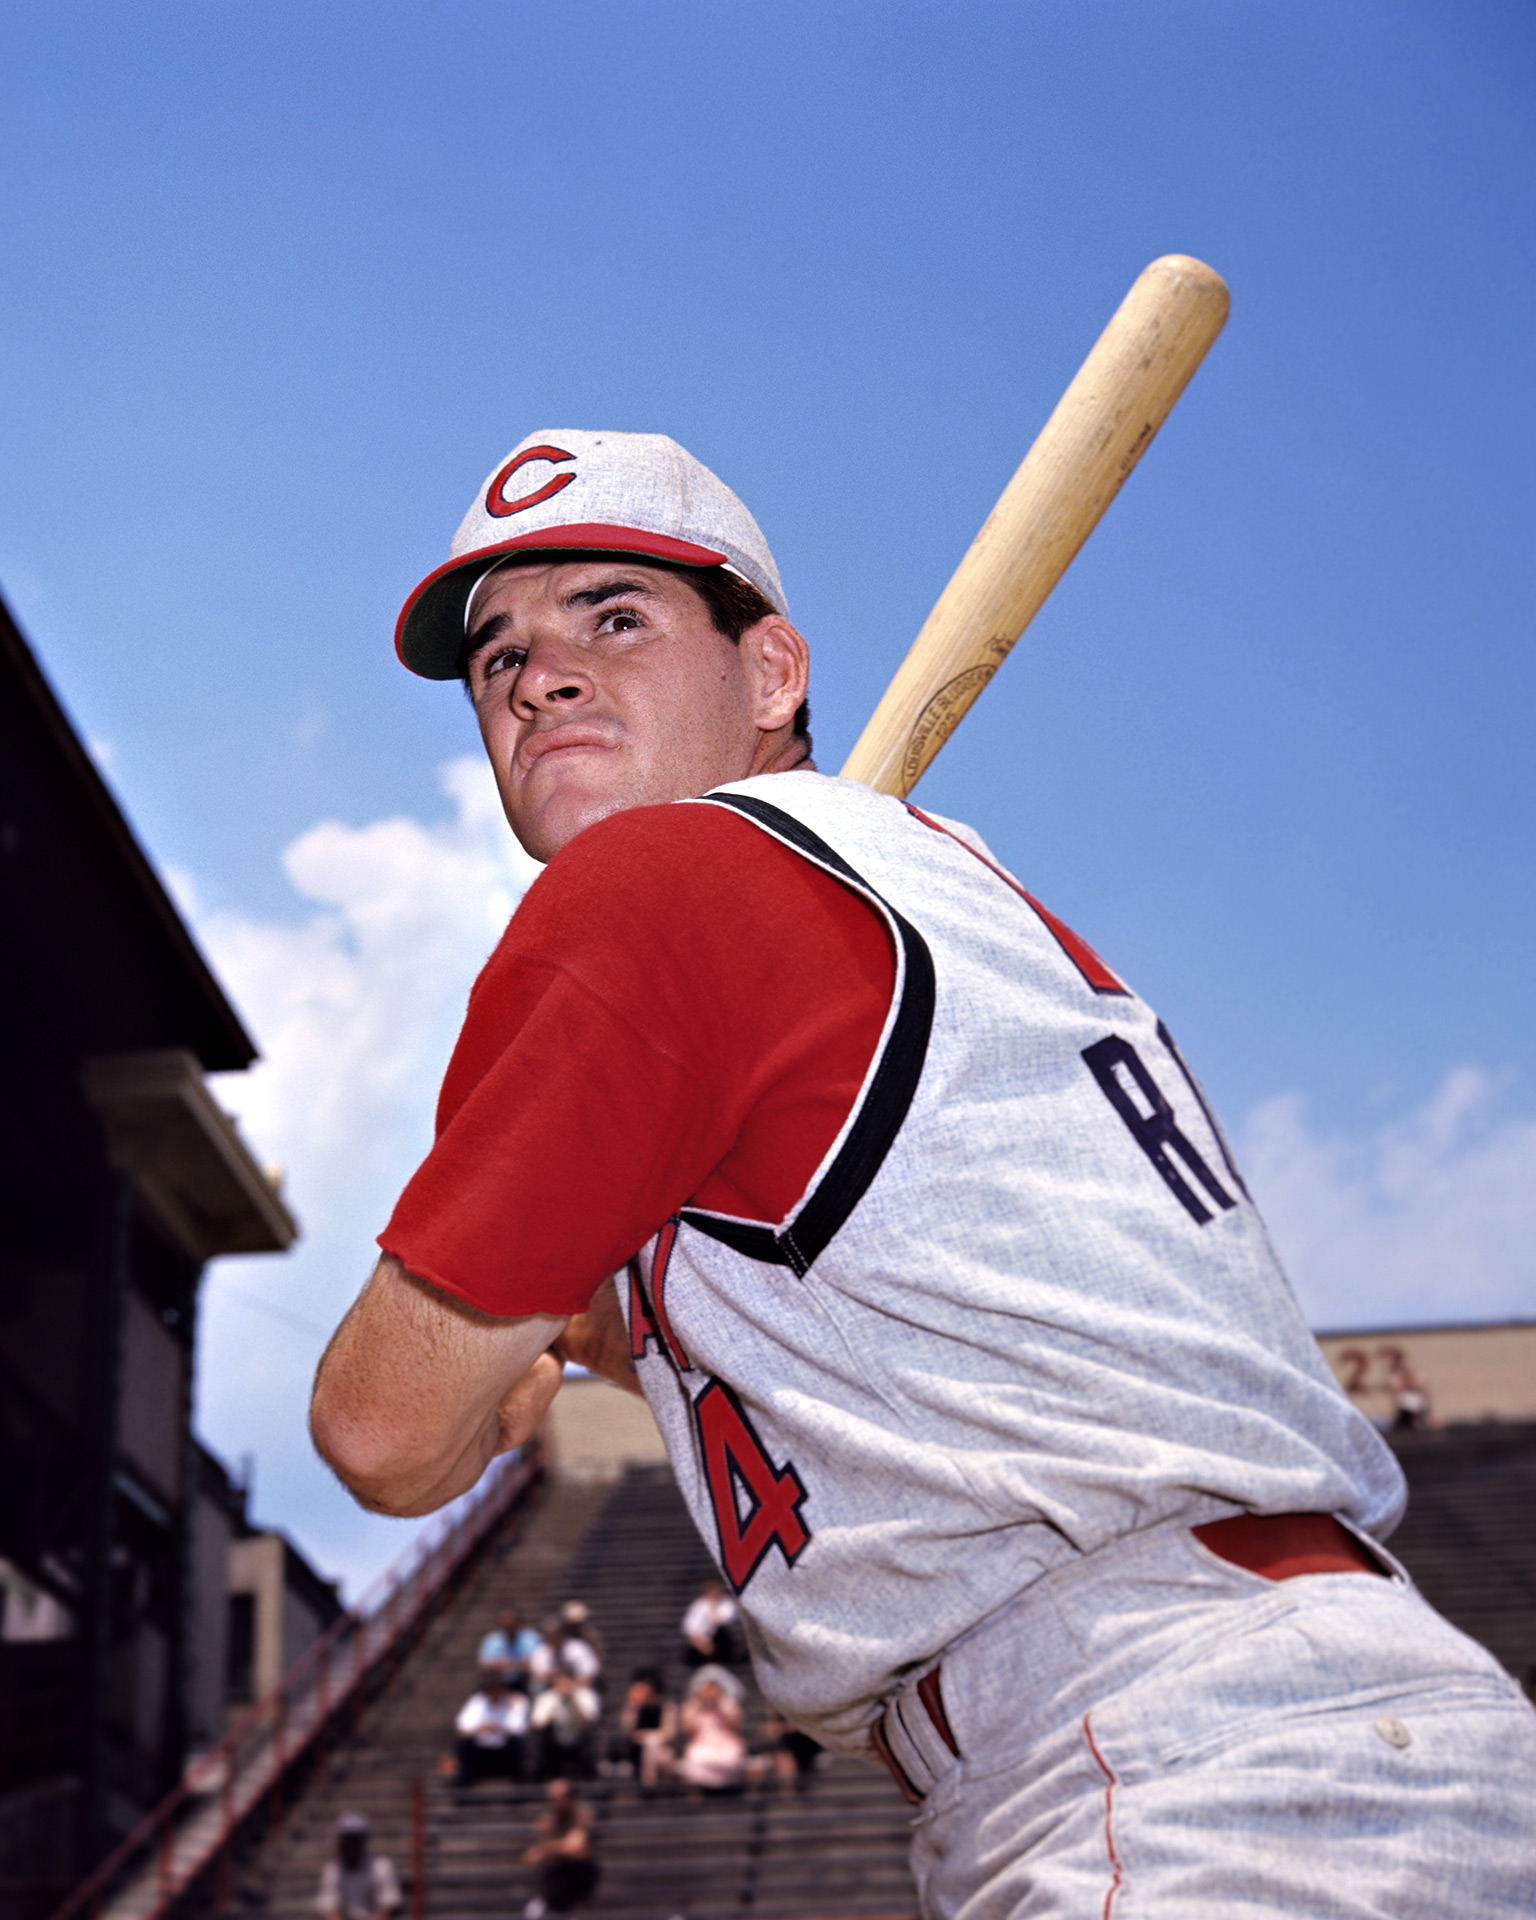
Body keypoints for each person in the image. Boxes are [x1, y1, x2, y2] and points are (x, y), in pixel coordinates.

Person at [312, 430, 1536, 1915]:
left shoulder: (660, 887)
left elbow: (380, 1430)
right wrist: (595, 1330)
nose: (539, 675)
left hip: (1179, 1757)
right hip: (1318, 1734)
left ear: (772, 674)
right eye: (497, 659)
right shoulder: (934, 887)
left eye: (613, 616)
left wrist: (474, 1371)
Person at [522, 1779, 599, 1919]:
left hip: (580, 1873)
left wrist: (545, 1848)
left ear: (571, 1798)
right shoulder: (547, 1819)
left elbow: (576, 1847)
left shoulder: (582, 1815)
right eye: (551, 1798)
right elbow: (530, 1858)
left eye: (559, 1797)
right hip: (556, 1875)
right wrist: (555, 1847)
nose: (554, 1802)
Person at [315, 1813, 401, 1920]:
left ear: (362, 1841)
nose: (351, 1845)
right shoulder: (332, 1870)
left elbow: (387, 1908)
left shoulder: (381, 1866)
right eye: (347, 1840)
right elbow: (328, 1908)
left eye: (355, 1840)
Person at [675, 1671, 747, 1796]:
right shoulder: (693, 1705)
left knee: (733, 1756)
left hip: (725, 1741)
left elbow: (735, 1725)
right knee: (696, 1757)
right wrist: (698, 1705)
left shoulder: (728, 1703)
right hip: (701, 1742)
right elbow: (688, 1729)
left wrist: (720, 1704)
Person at [454, 1671, 530, 1783]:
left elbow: (520, 1729)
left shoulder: (516, 1700)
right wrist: (480, 1729)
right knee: (463, 1744)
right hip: (481, 1750)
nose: (494, 1692)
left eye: (497, 1688)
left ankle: (519, 1784)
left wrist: (498, 1728)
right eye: (490, 1689)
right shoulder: (477, 1701)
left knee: (518, 1744)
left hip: (505, 1750)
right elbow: (462, 1728)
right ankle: (464, 1783)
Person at [529, 1667, 600, 1780]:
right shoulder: (546, 1698)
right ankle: (542, 1775)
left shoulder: (585, 1695)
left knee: (589, 1733)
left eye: (566, 1681)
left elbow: (590, 1721)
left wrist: (573, 1700)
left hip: (578, 1738)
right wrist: (554, 1707)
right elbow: (536, 1724)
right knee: (539, 1738)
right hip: (554, 1740)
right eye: (560, 1682)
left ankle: (588, 1774)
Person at [616, 1667, 676, 1790]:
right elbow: (627, 1732)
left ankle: (650, 1786)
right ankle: (649, 1786)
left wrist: (649, 1737)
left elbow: (669, 1733)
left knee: (661, 1754)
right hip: (636, 1750)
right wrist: (632, 1707)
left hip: (658, 1748)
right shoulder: (633, 1706)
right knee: (652, 1745)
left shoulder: (666, 1706)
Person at [680, 1578, 738, 1669]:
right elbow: (689, 1628)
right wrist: (702, 1643)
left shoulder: (728, 1604)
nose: (713, 1592)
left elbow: (719, 1622)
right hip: (701, 1645)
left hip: (722, 1643)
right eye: (710, 1589)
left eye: (715, 1588)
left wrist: (713, 1607)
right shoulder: (698, 1605)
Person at [478, 1606, 541, 1684]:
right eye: (506, 1626)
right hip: (500, 1681)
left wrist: (515, 1664)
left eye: (512, 1625)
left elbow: (540, 1662)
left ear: (519, 1623)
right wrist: (498, 1665)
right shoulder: (492, 1640)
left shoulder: (531, 1638)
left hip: (526, 1679)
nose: (509, 1628)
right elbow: (483, 1665)